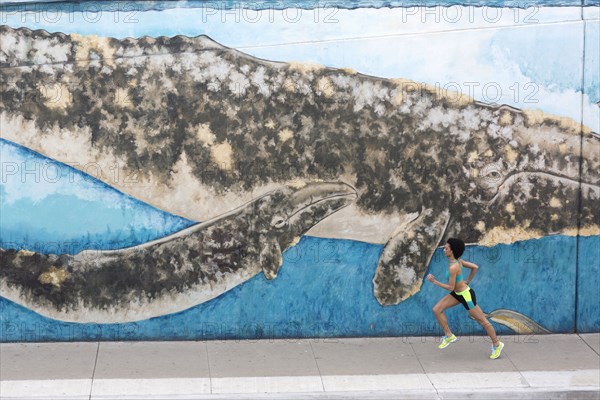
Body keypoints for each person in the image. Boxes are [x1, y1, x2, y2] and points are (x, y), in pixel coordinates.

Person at [426, 238, 504, 359]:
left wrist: (434, 281)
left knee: (483, 321)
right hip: (458, 294)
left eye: (446, 248)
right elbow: (475, 267)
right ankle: (449, 335)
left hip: (466, 296)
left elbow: (451, 287)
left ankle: (497, 344)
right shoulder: (457, 261)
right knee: (437, 309)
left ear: (452, 250)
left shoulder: (454, 267)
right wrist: (467, 280)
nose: (444, 250)